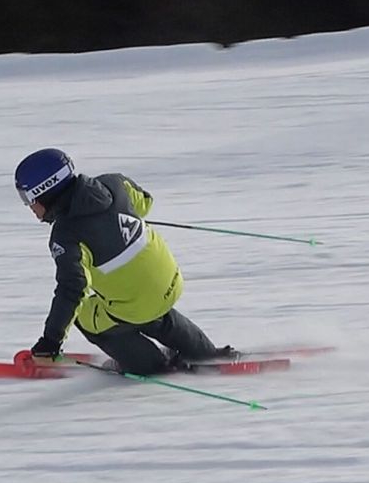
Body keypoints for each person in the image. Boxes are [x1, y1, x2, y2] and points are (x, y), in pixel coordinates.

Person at [13, 148, 232, 375]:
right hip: (171, 280)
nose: (29, 207)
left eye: (27, 198)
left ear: (45, 191)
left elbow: (73, 288)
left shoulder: (66, 236)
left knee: (85, 315)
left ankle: (150, 365)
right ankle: (204, 353)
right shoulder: (113, 183)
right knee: (148, 308)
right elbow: (145, 201)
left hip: (136, 302)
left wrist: (51, 342)